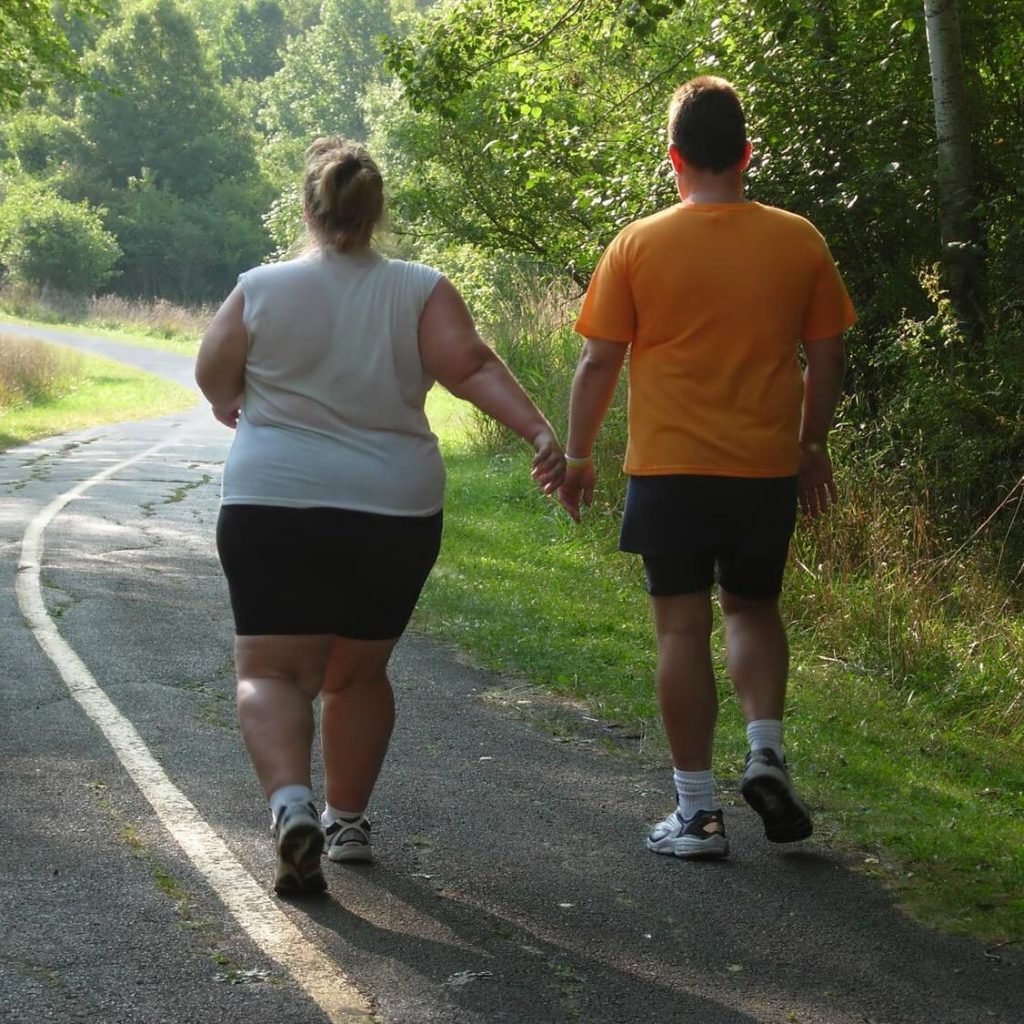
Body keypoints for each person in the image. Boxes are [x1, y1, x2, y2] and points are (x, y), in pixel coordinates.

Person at [196, 136, 565, 896]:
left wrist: (231, 399)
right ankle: (348, 823)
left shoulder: (260, 287)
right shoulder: (420, 288)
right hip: (392, 510)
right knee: (357, 673)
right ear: (376, 211)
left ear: (308, 206)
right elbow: (471, 368)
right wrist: (539, 432)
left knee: (270, 669)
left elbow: (212, 373)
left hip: (273, 501)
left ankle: (291, 805)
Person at [558, 77, 855, 860]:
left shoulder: (637, 243)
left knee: (681, 628)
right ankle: (765, 750)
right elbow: (827, 357)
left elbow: (597, 364)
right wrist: (811, 446)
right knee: (752, 608)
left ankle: (696, 815)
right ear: (747, 154)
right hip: (763, 467)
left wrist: (579, 457)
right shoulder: (800, 240)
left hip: (670, 471)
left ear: (674, 159)